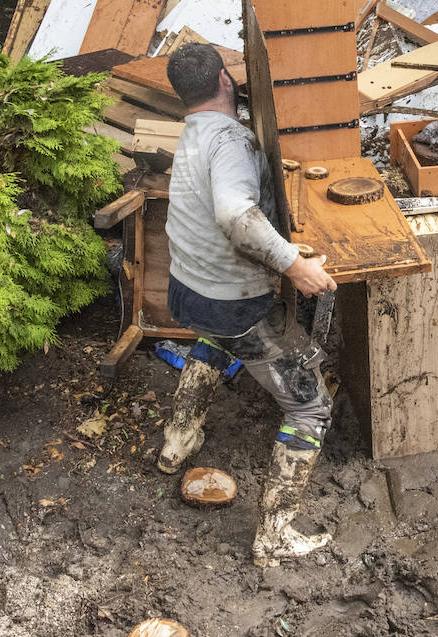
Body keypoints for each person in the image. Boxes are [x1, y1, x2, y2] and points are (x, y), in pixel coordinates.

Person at [157, 42, 338, 567]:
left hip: (186, 291)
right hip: (230, 303)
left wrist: (279, 249)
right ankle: (275, 537)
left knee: (214, 341)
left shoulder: (191, 135)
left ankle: (178, 442)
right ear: (224, 81)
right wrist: (295, 266)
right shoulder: (232, 140)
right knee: (310, 405)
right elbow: (237, 215)